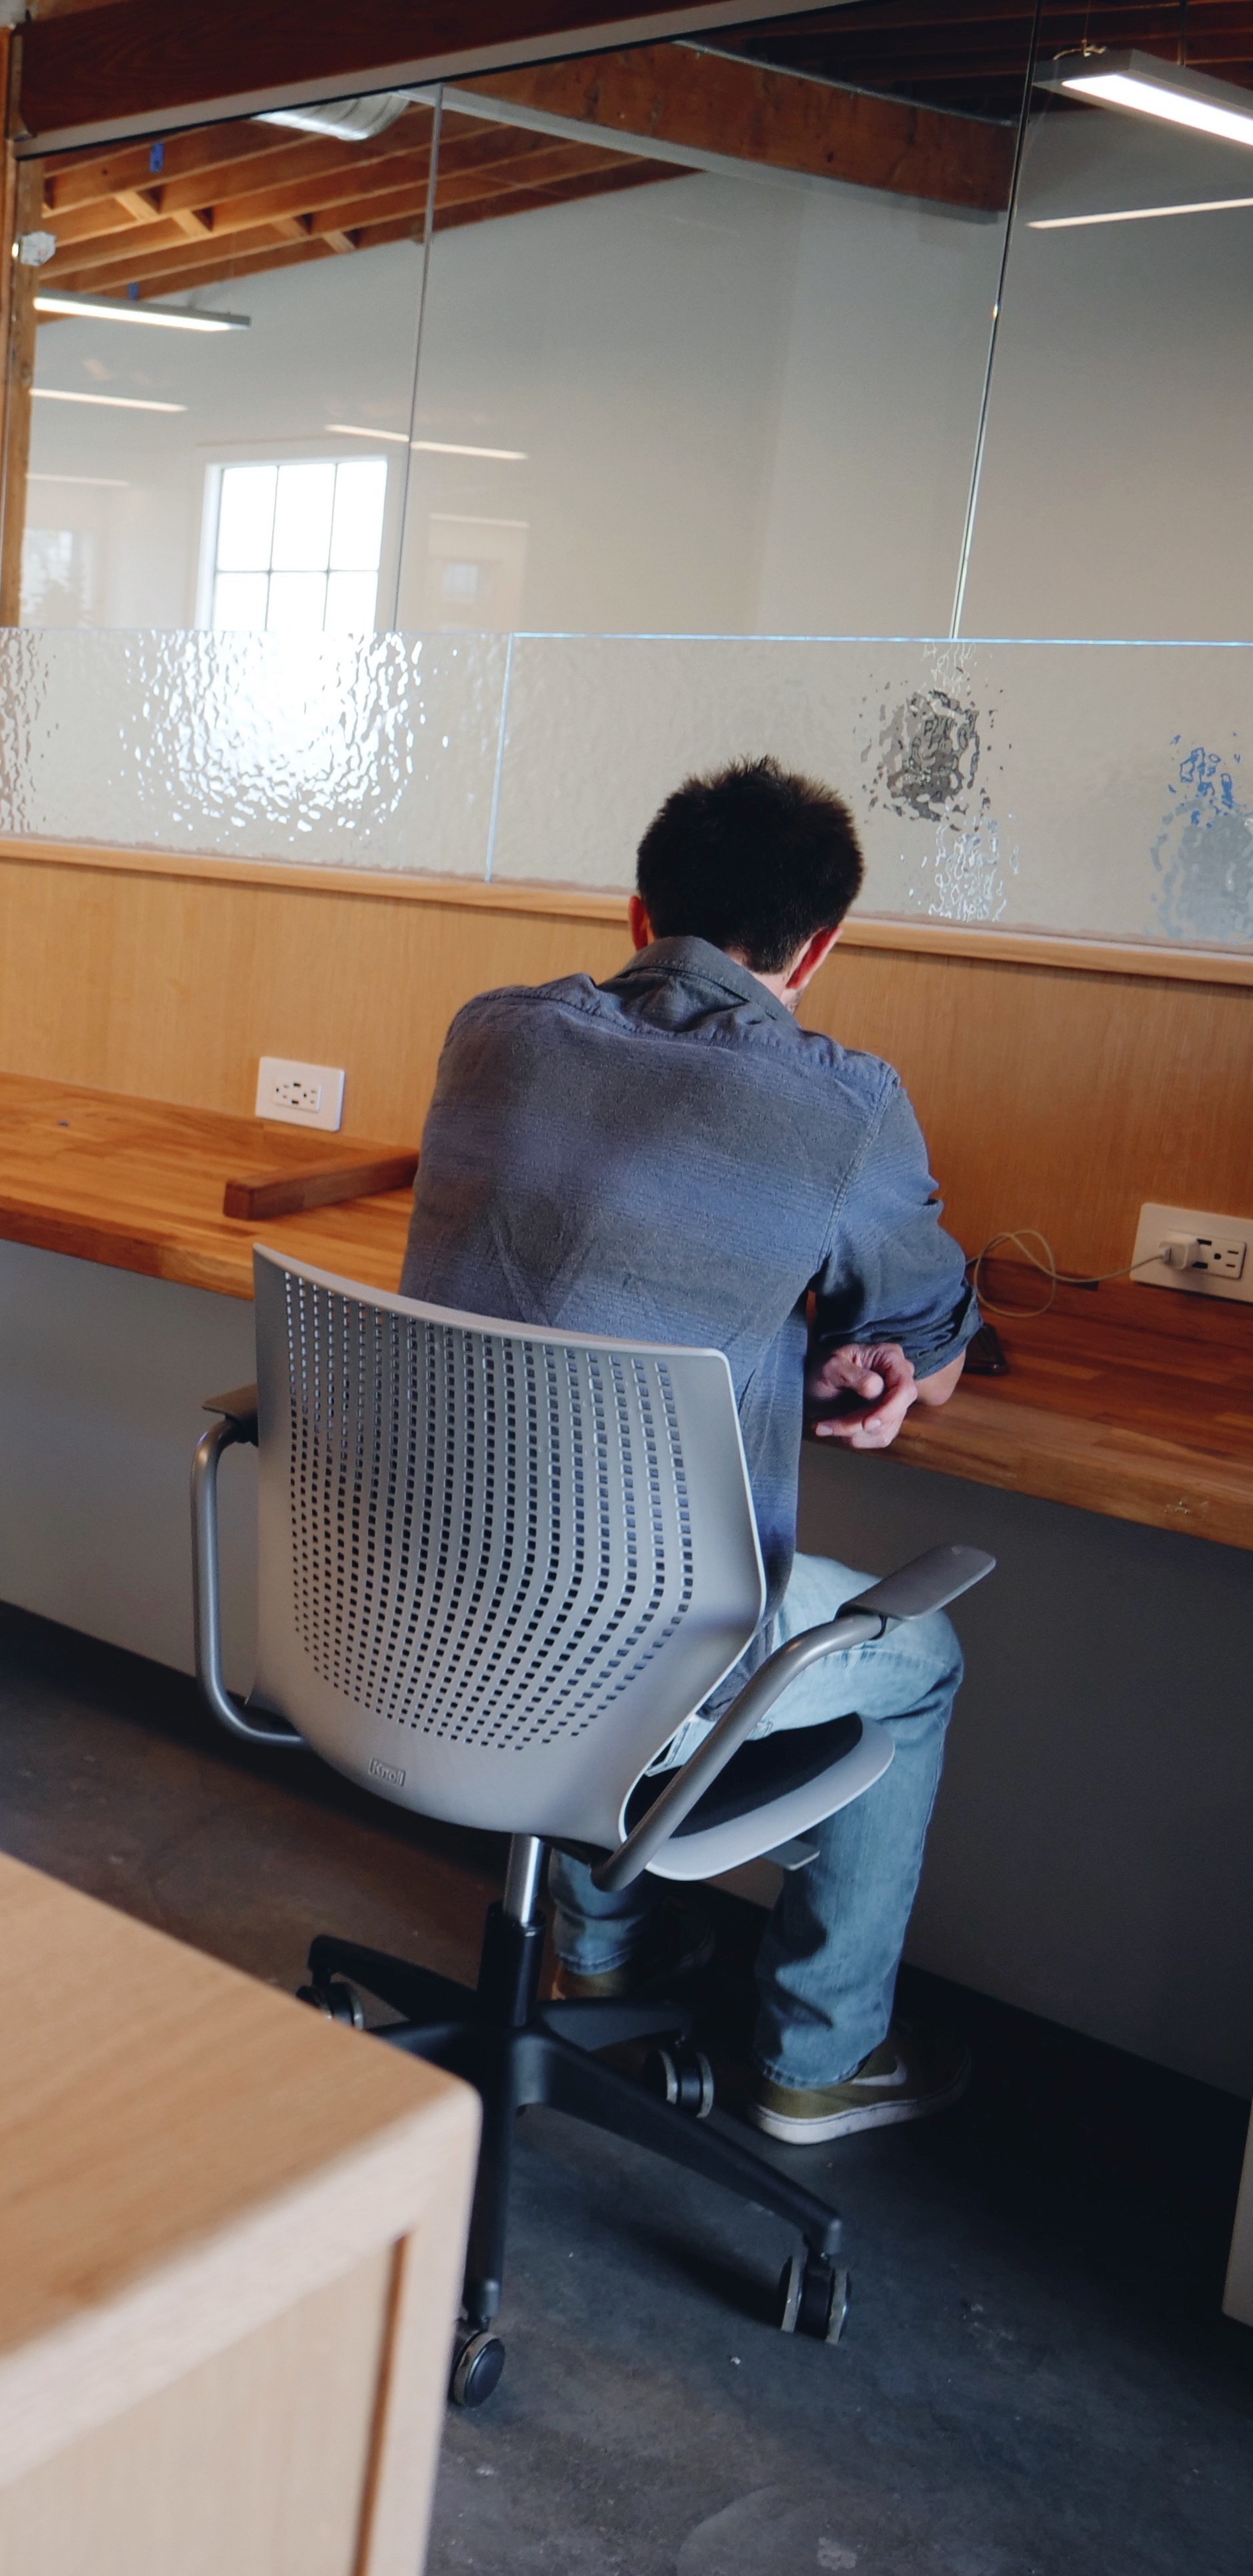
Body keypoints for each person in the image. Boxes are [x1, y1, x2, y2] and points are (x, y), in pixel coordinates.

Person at [402, 756, 981, 2147]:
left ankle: (598, 1952)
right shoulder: (839, 1104)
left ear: (636, 913)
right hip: (629, 1644)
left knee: (567, 1520)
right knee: (916, 1658)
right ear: (818, 949)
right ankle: (819, 2057)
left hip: (408, 1597)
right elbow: (931, 1350)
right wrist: (877, 1355)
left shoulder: (488, 1034)